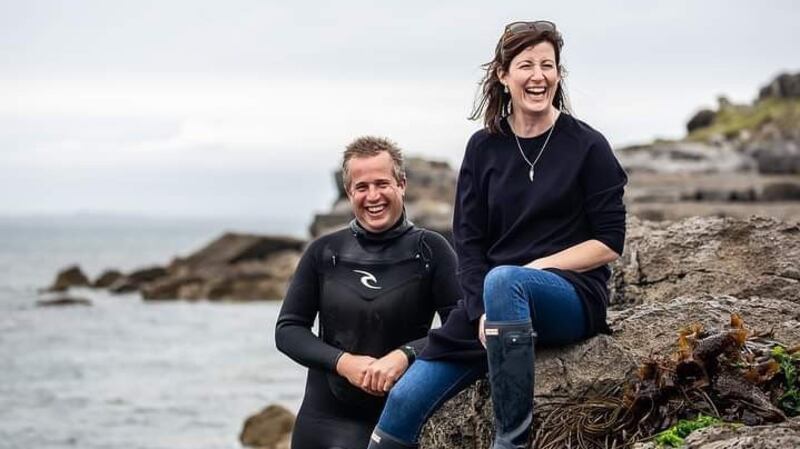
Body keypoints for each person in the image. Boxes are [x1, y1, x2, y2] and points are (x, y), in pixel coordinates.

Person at [368, 21, 627, 449]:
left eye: (548, 65)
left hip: (569, 295)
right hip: (492, 307)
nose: (538, 75)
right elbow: (468, 244)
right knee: (402, 401)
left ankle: (511, 442)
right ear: (504, 76)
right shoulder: (482, 147)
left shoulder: (588, 146)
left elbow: (608, 243)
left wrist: (531, 271)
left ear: (558, 75)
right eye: (526, 65)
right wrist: (480, 311)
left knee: (505, 280)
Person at [275, 136, 460, 449]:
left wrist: (406, 355)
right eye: (362, 187)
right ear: (349, 192)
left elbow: (461, 325)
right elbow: (288, 330)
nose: (373, 196)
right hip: (321, 422)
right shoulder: (324, 252)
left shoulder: (432, 250)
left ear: (401, 184)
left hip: (396, 421)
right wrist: (343, 362)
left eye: (382, 183)